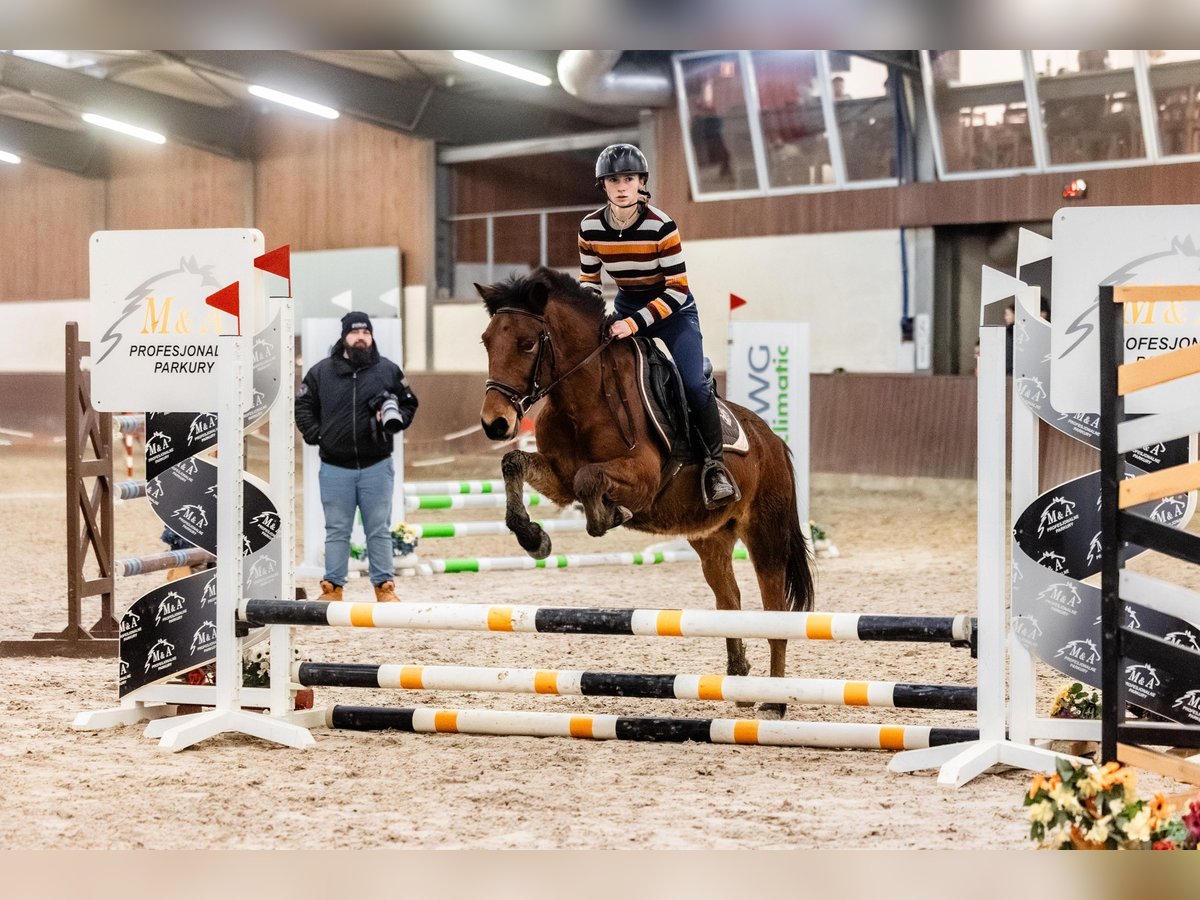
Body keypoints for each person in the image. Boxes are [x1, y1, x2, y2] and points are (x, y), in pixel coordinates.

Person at [577, 143, 737, 508]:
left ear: (641, 182)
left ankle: (715, 467)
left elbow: (677, 289)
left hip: (674, 310)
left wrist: (632, 324)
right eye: (614, 179)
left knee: (694, 385)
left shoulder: (662, 225)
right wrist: (595, 315)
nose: (621, 186)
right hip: (625, 305)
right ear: (603, 185)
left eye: (629, 178)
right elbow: (589, 281)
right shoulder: (588, 227)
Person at [295, 312, 418, 603]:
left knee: (379, 529)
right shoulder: (320, 372)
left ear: (372, 336)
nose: (361, 337)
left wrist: (396, 417)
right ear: (344, 337)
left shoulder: (388, 370)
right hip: (335, 467)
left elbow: (410, 402)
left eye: (366, 332)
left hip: (377, 465)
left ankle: (384, 588)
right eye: (355, 332)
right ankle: (333, 588)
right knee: (337, 529)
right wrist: (317, 435)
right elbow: (302, 406)